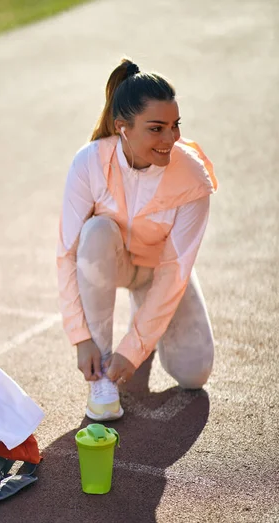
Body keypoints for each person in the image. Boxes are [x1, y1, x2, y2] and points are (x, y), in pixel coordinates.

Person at [57, 58, 218, 422]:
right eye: (156, 128)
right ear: (123, 128)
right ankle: (100, 380)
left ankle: (145, 315)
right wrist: (81, 338)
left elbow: (175, 270)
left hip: (162, 270)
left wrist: (135, 348)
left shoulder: (192, 176)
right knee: (95, 232)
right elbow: (66, 254)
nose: (170, 139)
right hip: (115, 263)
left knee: (195, 374)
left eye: (175, 126)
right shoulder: (89, 163)